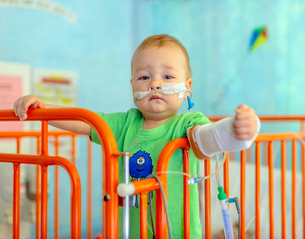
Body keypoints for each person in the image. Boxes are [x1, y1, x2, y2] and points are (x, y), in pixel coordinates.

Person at [13, 34, 260, 238]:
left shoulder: (188, 123)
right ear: (132, 85)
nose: (155, 84)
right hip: (127, 232)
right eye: (144, 77)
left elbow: (208, 138)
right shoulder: (125, 123)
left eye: (167, 76)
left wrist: (236, 131)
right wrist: (42, 109)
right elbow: (83, 121)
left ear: (187, 87)